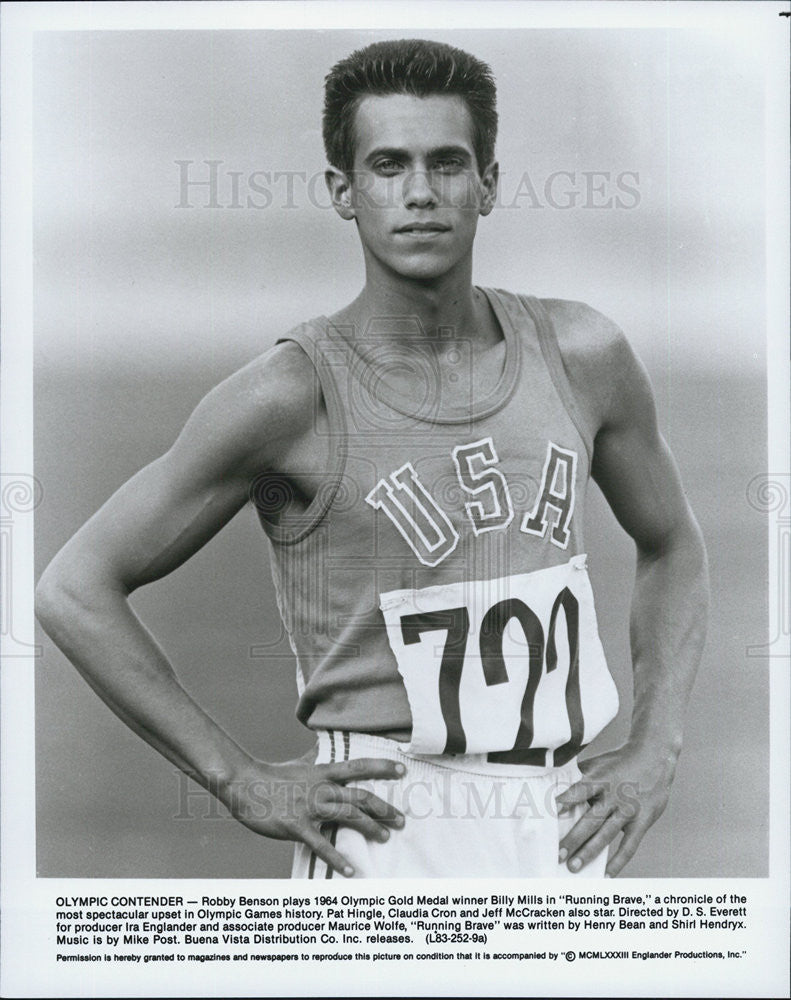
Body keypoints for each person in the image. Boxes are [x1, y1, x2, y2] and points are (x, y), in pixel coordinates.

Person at [35, 38, 709, 879]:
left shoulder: (583, 352)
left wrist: (655, 744)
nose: (420, 194)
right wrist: (237, 777)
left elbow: (673, 544)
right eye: (388, 166)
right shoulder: (288, 397)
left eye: (448, 164)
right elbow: (74, 590)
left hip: (560, 823)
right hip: (387, 828)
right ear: (343, 192)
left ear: (488, 185)